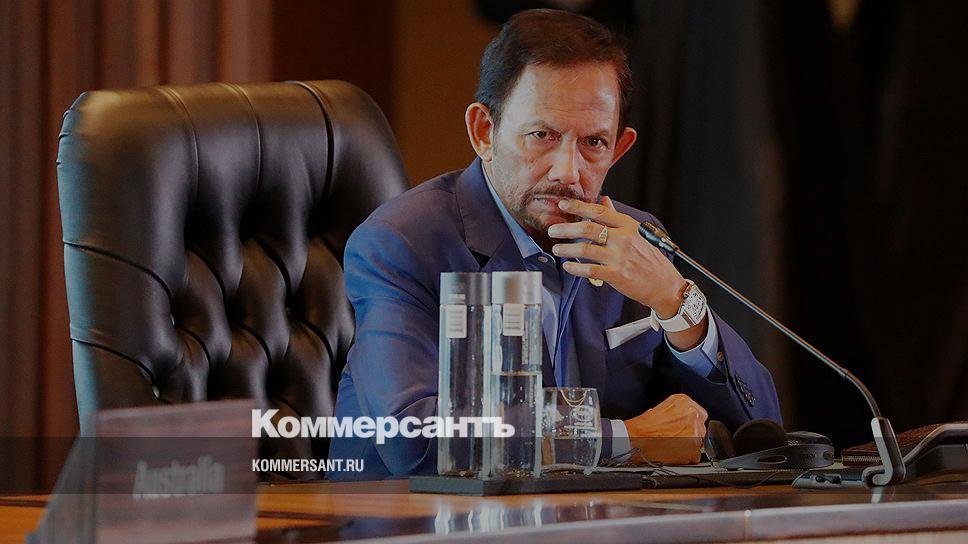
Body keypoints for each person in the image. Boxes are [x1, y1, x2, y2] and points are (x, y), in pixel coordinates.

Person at [328, 9, 780, 480]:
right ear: (484, 132)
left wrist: (676, 303)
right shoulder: (402, 243)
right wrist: (625, 439)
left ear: (619, 148)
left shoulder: (635, 240)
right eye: (542, 136)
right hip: (416, 516)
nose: (567, 171)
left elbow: (761, 431)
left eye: (593, 143)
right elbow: (415, 438)